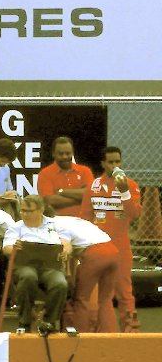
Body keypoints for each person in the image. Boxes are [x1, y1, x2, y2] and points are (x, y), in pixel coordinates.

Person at [81, 146, 142, 332]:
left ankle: (129, 329)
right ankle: (99, 331)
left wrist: (124, 192)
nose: (115, 165)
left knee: (124, 290)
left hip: (121, 243)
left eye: (117, 161)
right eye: (111, 162)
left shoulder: (130, 185)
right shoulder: (94, 185)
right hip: (99, 245)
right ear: (103, 163)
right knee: (97, 291)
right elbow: (85, 216)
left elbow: (135, 214)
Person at [2, 195, 71, 332]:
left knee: (60, 283)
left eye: (29, 211)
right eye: (22, 211)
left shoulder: (55, 225)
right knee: (28, 277)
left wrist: (66, 251)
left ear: (40, 210)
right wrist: (14, 248)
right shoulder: (16, 227)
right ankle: (24, 322)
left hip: (50, 267)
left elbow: (67, 243)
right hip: (24, 266)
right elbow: (6, 249)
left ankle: (49, 322)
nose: (25, 214)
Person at [52, 215, 119, 332]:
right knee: (105, 299)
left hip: (95, 253)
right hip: (113, 250)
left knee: (81, 299)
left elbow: (66, 246)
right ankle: (110, 338)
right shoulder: (71, 219)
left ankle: (81, 339)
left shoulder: (54, 225)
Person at [37, 136, 94, 217]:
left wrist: (62, 192)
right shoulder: (44, 174)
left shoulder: (85, 171)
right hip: (57, 223)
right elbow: (50, 201)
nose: (64, 156)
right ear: (53, 154)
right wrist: (81, 199)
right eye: (61, 154)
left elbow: (91, 194)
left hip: (83, 221)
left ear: (72, 153)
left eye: (68, 153)